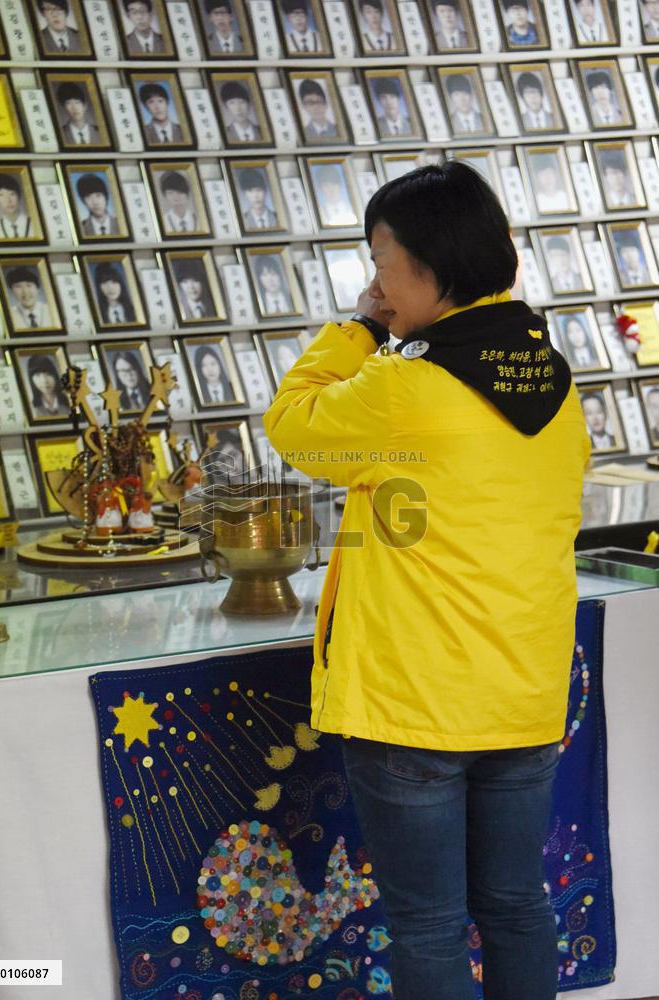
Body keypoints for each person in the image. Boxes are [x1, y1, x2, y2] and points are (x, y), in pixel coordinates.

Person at [263, 160, 589, 1000]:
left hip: (412, 704)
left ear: (430, 267)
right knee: (517, 905)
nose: (376, 281)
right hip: (521, 695)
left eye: (381, 262)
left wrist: (357, 330)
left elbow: (292, 427)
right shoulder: (555, 383)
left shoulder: (406, 383)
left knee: (428, 925)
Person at [6, 265, 52, 329]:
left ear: (38, 288)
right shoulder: (9, 315)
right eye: (18, 286)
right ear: (12, 291)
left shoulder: (52, 311)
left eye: (29, 285)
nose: (25, 292)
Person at [56, 81, 102, 145]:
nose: (74, 108)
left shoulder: (101, 132)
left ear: (85, 106)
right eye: (68, 103)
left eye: (77, 102)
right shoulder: (58, 134)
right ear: (64, 107)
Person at [0, 173, 33, 239]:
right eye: (1, 195)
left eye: (12, 194)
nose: (8, 200)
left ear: (19, 196)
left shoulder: (34, 224)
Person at [26, 353, 69, 418]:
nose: (44, 381)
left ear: (55, 376)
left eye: (48, 374)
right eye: (38, 375)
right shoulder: (31, 409)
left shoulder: (69, 402)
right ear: (31, 380)